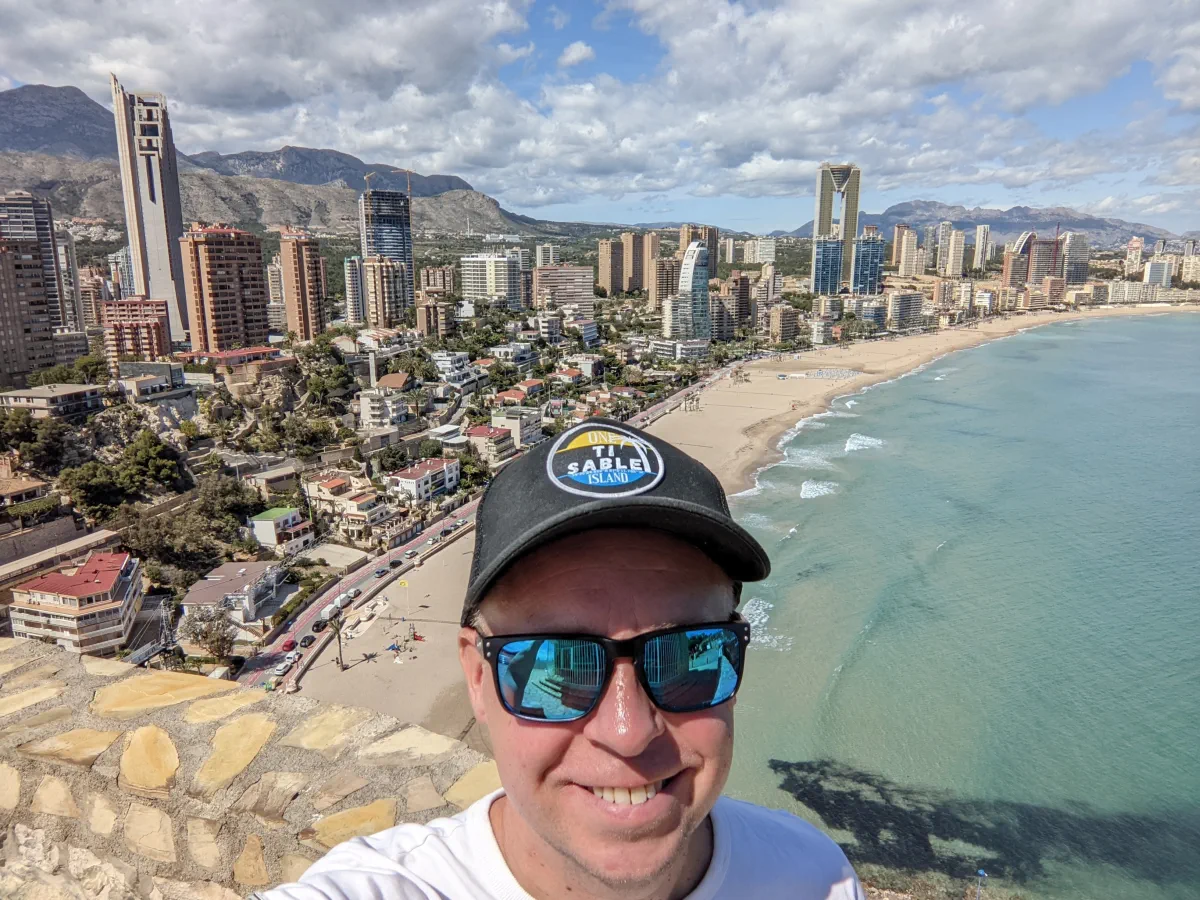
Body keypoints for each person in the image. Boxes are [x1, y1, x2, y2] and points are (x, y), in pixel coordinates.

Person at [257, 418, 864, 900]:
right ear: (478, 676)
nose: (627, 733)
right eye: (555, 665)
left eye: (688, 655)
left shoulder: (816, 879)